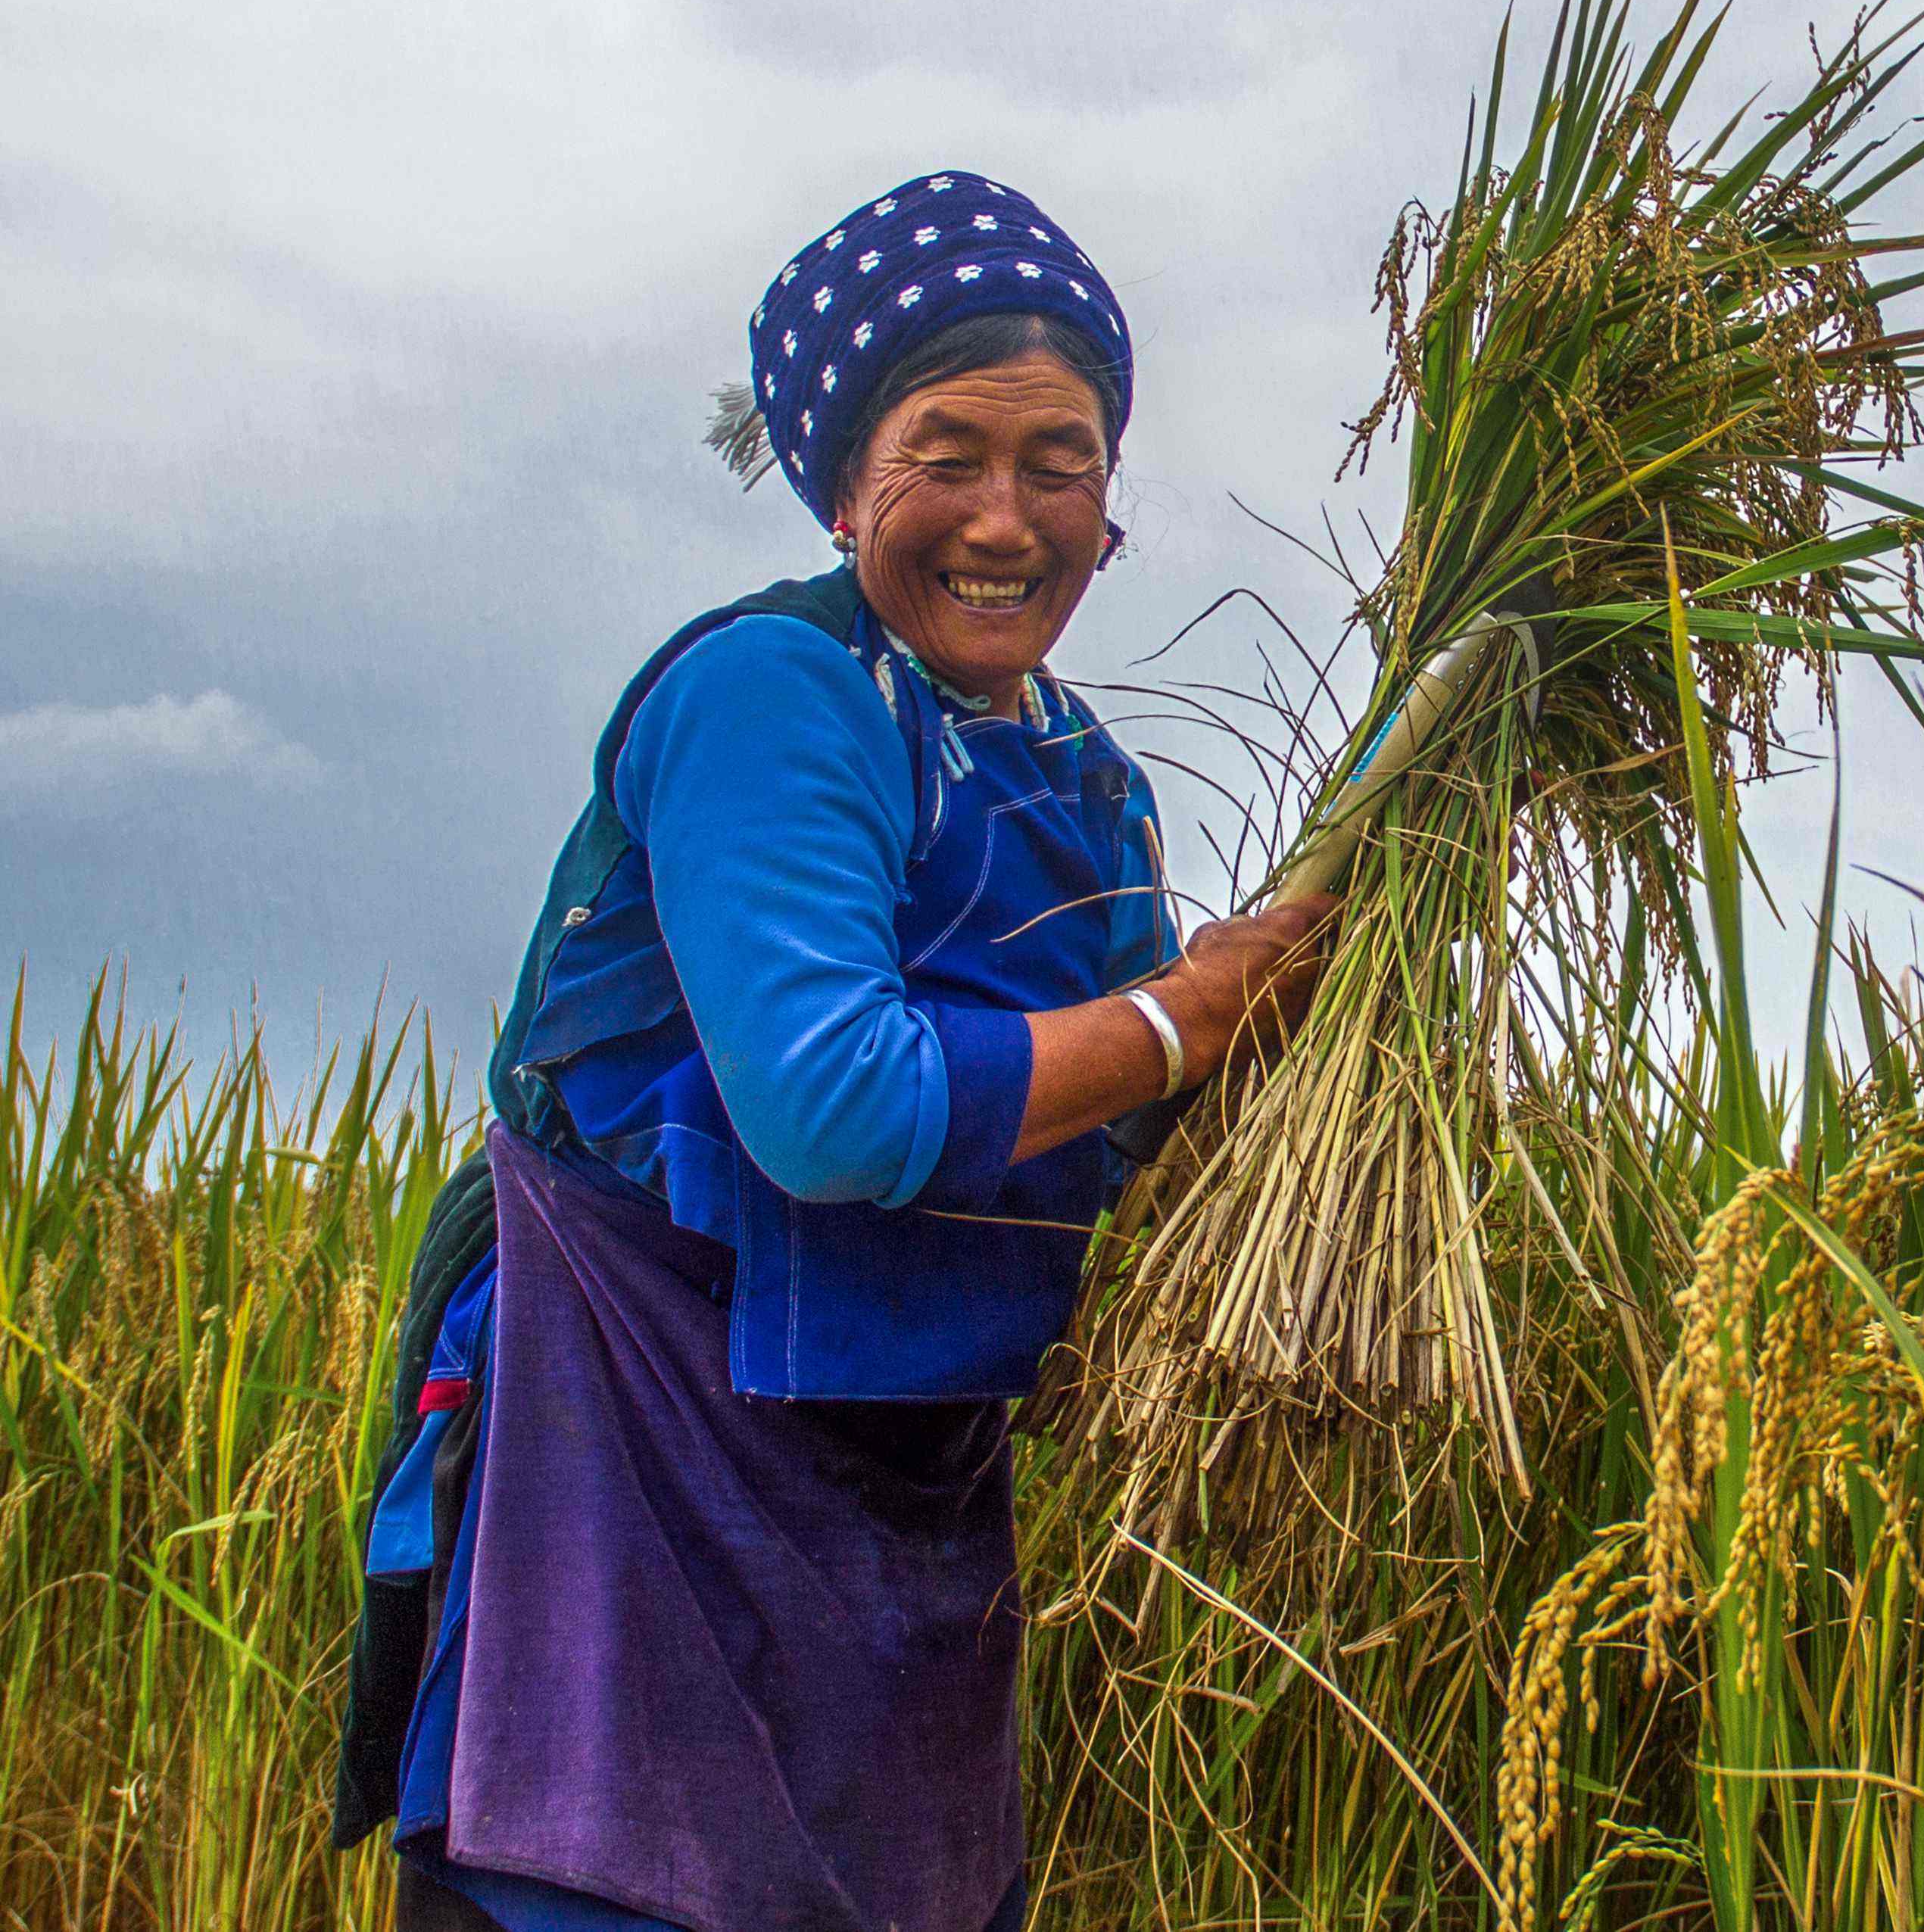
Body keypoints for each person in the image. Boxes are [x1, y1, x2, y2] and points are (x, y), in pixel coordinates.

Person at [328, 171, 1336, 1932]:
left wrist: (1295, 1006)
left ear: (1114, 503)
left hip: (902, 1523)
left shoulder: (1089, 776)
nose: (1007, 519)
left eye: (1063, 459)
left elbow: (1117, 1131)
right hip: (638, 1474)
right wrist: (1185, 1011)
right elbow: (831, 1104)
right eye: (946, 455)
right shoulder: (775, 696)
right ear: (845, 477)